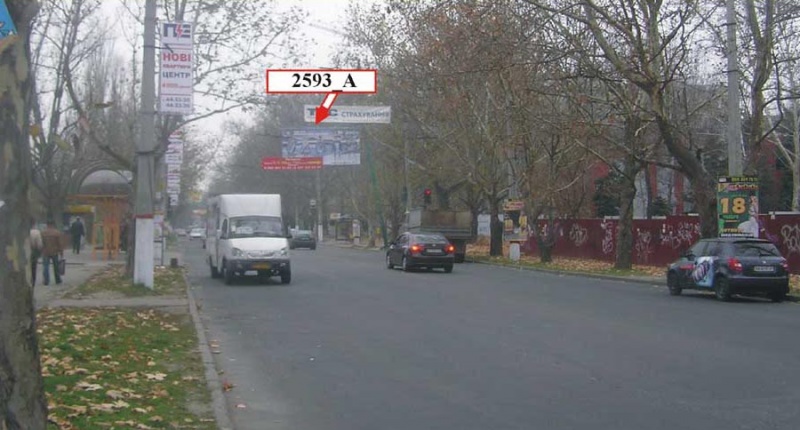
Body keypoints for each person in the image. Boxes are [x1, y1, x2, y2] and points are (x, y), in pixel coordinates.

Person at [41, 219, 63, 285]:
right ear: (53, 224)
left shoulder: (43, 233)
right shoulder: (57, 233)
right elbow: (59, 243)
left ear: (47, 225)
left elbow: (41, 243)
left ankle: (46, 281)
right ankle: (57, 279)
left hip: (45, 252)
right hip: (55, 251)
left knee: (46, 266)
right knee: (56, 266)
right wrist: (61, 252)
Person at [29, 219, 43, 286]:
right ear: (34, 224)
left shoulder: (20, 231)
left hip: (22, 253)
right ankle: (33, 282)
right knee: (33, 268)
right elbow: (39, 245)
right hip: (33, 252)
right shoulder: (36, 232)